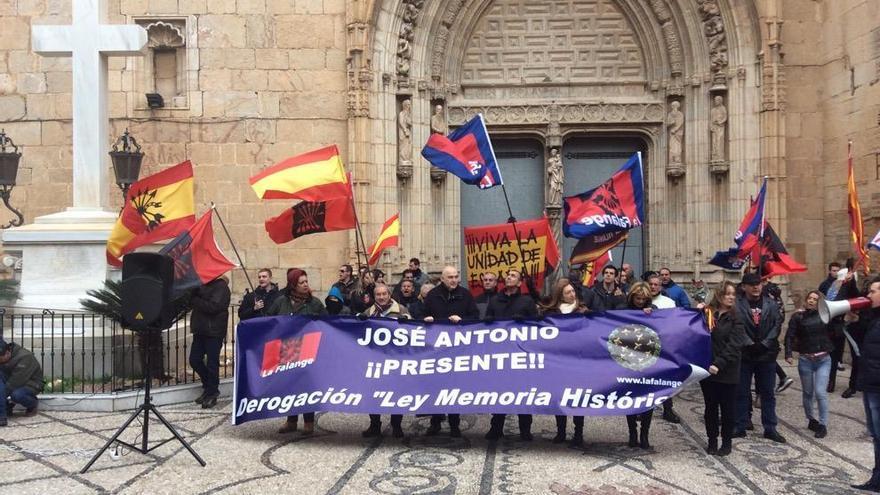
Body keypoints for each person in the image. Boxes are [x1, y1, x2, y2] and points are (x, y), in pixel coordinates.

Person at [268, 268, 328, 434]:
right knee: (290, 386)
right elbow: (269, 319)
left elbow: (326, 322)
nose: (305, 285)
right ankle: (291, 420)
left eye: (306, 281)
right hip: (287, 350)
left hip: (308, 349)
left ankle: (308, 422)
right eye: (301, 282)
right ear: (293, 285)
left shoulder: (314, 303)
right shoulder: (281, 302)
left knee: (306, 386)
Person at [423, 266, 479, 437]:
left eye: (456, 276)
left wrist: (463, 320)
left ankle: (455, 424)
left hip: (458, 349)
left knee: (454, 386)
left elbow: (475, 317)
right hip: (437, 349)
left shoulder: (465, 295)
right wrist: (426, 320)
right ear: (442, 279)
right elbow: (421, 316)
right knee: (436, 386)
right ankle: (436, 421)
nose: (454, 280)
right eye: (450, 277)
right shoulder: (432, 296)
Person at [484, 269, 539, 441]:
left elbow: (537, 324)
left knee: (523, 392)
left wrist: (524, 321)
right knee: (500, 391)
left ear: (520, 282)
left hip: (520, 353)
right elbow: (486, 322)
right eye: (508, 275)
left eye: (513, 275)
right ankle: (496, 427)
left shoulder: (526, 301)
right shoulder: (495, 300)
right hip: (500, 354)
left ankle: (525, 428)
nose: (509, 277)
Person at [733, 272, 786, 443]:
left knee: (767, 393)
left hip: (766, 354)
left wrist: (764, 343)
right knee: (742, 392)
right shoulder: (737, 304)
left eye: (758, 283)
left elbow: (777, 325)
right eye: (752, 284)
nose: (756, 286)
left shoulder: (771, 304)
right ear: (744, 287)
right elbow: (737, 325)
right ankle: (741, 424)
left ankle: (770, 427)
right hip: (745, 353)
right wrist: (748, 343)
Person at [700, 281, 747, 456]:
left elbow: (735, 345)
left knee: (727, 410)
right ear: (719, 295)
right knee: (710, 408)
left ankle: (726, 443)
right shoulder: (709, 313)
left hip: (727, 371)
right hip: (708, 370)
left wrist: (718, 364)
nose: (731, 297)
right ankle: (712, 441)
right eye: (727, 294)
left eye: (733, 294)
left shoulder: (737, 317)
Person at [540, 278, 588, 446]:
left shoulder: (583, 310)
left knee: (577, 397)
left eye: (573, 291)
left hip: (577, 360)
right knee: (560, 396)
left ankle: (578, 432)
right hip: (558, 361)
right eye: (568, 292)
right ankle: (560, 431)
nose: (572, 294)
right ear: (560, 295)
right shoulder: (551, 313)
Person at [360, 283, 409, 438]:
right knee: (373, 393)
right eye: (378, 295)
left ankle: (396, 425)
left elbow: (414, 331)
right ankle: (375, 424)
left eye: (384, 294)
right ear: (375, 297)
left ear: (389, 295)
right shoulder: (369, 312)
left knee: (397, 393)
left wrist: (406, 321)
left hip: (396, 359)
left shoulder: (400, 310)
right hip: (375, 360)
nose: (381, 297)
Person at [784, 290, 833, 439]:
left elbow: (836, 330)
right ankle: (811, 419)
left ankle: (823, 424)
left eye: (815, 299)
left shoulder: (826, 316)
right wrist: (788, 353)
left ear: (820, 302)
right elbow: (789, 335)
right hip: (806, 359)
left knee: (820, 392)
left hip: (823, 359)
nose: (811, 301)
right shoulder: (798, 316)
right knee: (807, 392)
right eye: (809, 298)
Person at [852, 278, 880, 491]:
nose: (868, 296)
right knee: (876, 435)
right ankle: (877, 479)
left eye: (872, 292)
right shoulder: (873, 317)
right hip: (870, 383)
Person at [189, 276, 231, 410]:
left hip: (214, 331)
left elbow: (213, 307)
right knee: (194, 360)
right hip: (200, 330)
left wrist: (195, 300)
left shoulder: (221, 287)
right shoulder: (201, 286)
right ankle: (209, 387)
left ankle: (212, 393)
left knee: (212, 363)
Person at [624, 282, 656, 449]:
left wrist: (651, 315)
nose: (640, 301)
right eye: (637, 298)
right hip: (628, 359)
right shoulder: (624, 309)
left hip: (647, 359)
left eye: (643, 299)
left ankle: (645, 433)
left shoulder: (653, 310)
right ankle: (632, 432)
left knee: (647, 398)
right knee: (630, 397)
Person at [647, 273, 681, 423]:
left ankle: (668, 409)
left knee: (666, 378)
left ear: (660, 286)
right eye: (651, 284)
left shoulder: (668, 302)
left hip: (664, 345)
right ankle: (644, 409)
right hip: (645, 346)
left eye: (656, 284)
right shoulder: (640, 300)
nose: (653, 287)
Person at [0, 338, 43, 426]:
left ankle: (33, 404)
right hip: (13, 379)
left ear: (8, 353)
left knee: (17, 395)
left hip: (31, 383)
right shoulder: (5, 355)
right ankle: (6, 406)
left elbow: (14, 383)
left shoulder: (25, 357)